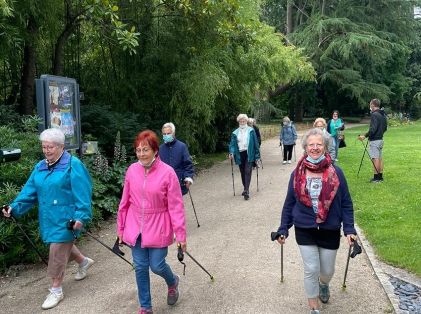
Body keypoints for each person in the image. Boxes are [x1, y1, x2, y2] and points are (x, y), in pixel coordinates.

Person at [2, 128, 93, 310]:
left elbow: (83, 194)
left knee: (57, 250)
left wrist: (81, 217)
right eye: (44, 147)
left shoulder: (72, 165)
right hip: (48, 218)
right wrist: (14, 207)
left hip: (67, 219)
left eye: (50, 147)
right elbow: (29, 192)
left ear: (60, 146)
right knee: (58, 244)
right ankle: (83, 261)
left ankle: (56, 289)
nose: (46, 151)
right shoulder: (40, 167)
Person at [275, 128, 357, 314]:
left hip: (330, 228)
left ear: (325, 147)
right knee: (311, 268)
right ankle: (314, 308)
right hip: (305, 227)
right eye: (311, 144)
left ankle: (324, 284)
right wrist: (283, 228)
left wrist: (349, 229)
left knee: (327, 271)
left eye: (319, 144)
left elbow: (346, 203)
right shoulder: (296, 174)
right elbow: (289, 203)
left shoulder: (337, 172)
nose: (314, 148)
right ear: (305, 147)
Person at [117, 130, 187, 314]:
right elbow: (124, 202)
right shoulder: (132, 170)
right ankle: (145, 307)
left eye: (145, 149)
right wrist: (121, 227)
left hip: (159, 225)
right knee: (140, 266)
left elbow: (176, 207)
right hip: (135, 226)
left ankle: (172, 281)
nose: (141, 154)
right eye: (138, 150)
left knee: (156, 265)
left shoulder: (168, 173)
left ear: (155, 150)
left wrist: (180, 235)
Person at [228, 114, 260, 200]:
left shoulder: (251, 131)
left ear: (246, 121)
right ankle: (245, 188)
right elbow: (232, 145)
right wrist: (231, 152)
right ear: (238, 122)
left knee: (247, 171)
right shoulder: (235, 133)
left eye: (244, 121)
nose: (242, 122)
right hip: (239, 154)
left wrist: (257, 156)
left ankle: (246, 190)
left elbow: (256, 143)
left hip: (249, 153)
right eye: (241, 121)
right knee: (242, 172)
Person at [158, 122, 194, 195]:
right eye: (164, 134)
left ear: (173, 133)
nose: (166, 135)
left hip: (179, 183)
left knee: (177, 205)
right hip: (164, 184)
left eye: (168, 133)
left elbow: (188, 164)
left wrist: (188, 177)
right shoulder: (160, 149)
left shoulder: (182, 146)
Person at [358, 99, 387, 183]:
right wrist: (380, 133)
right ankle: (380, 176)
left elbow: (373, 129)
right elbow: (385, 128)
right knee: (379, 158)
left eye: (370, 104)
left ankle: (376, 178)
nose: (370, 106)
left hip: (375, 140)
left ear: (373, 105)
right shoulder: (383, 114)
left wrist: (365, 136)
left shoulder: (374, 114)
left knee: (375, 158)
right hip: (381, 139)